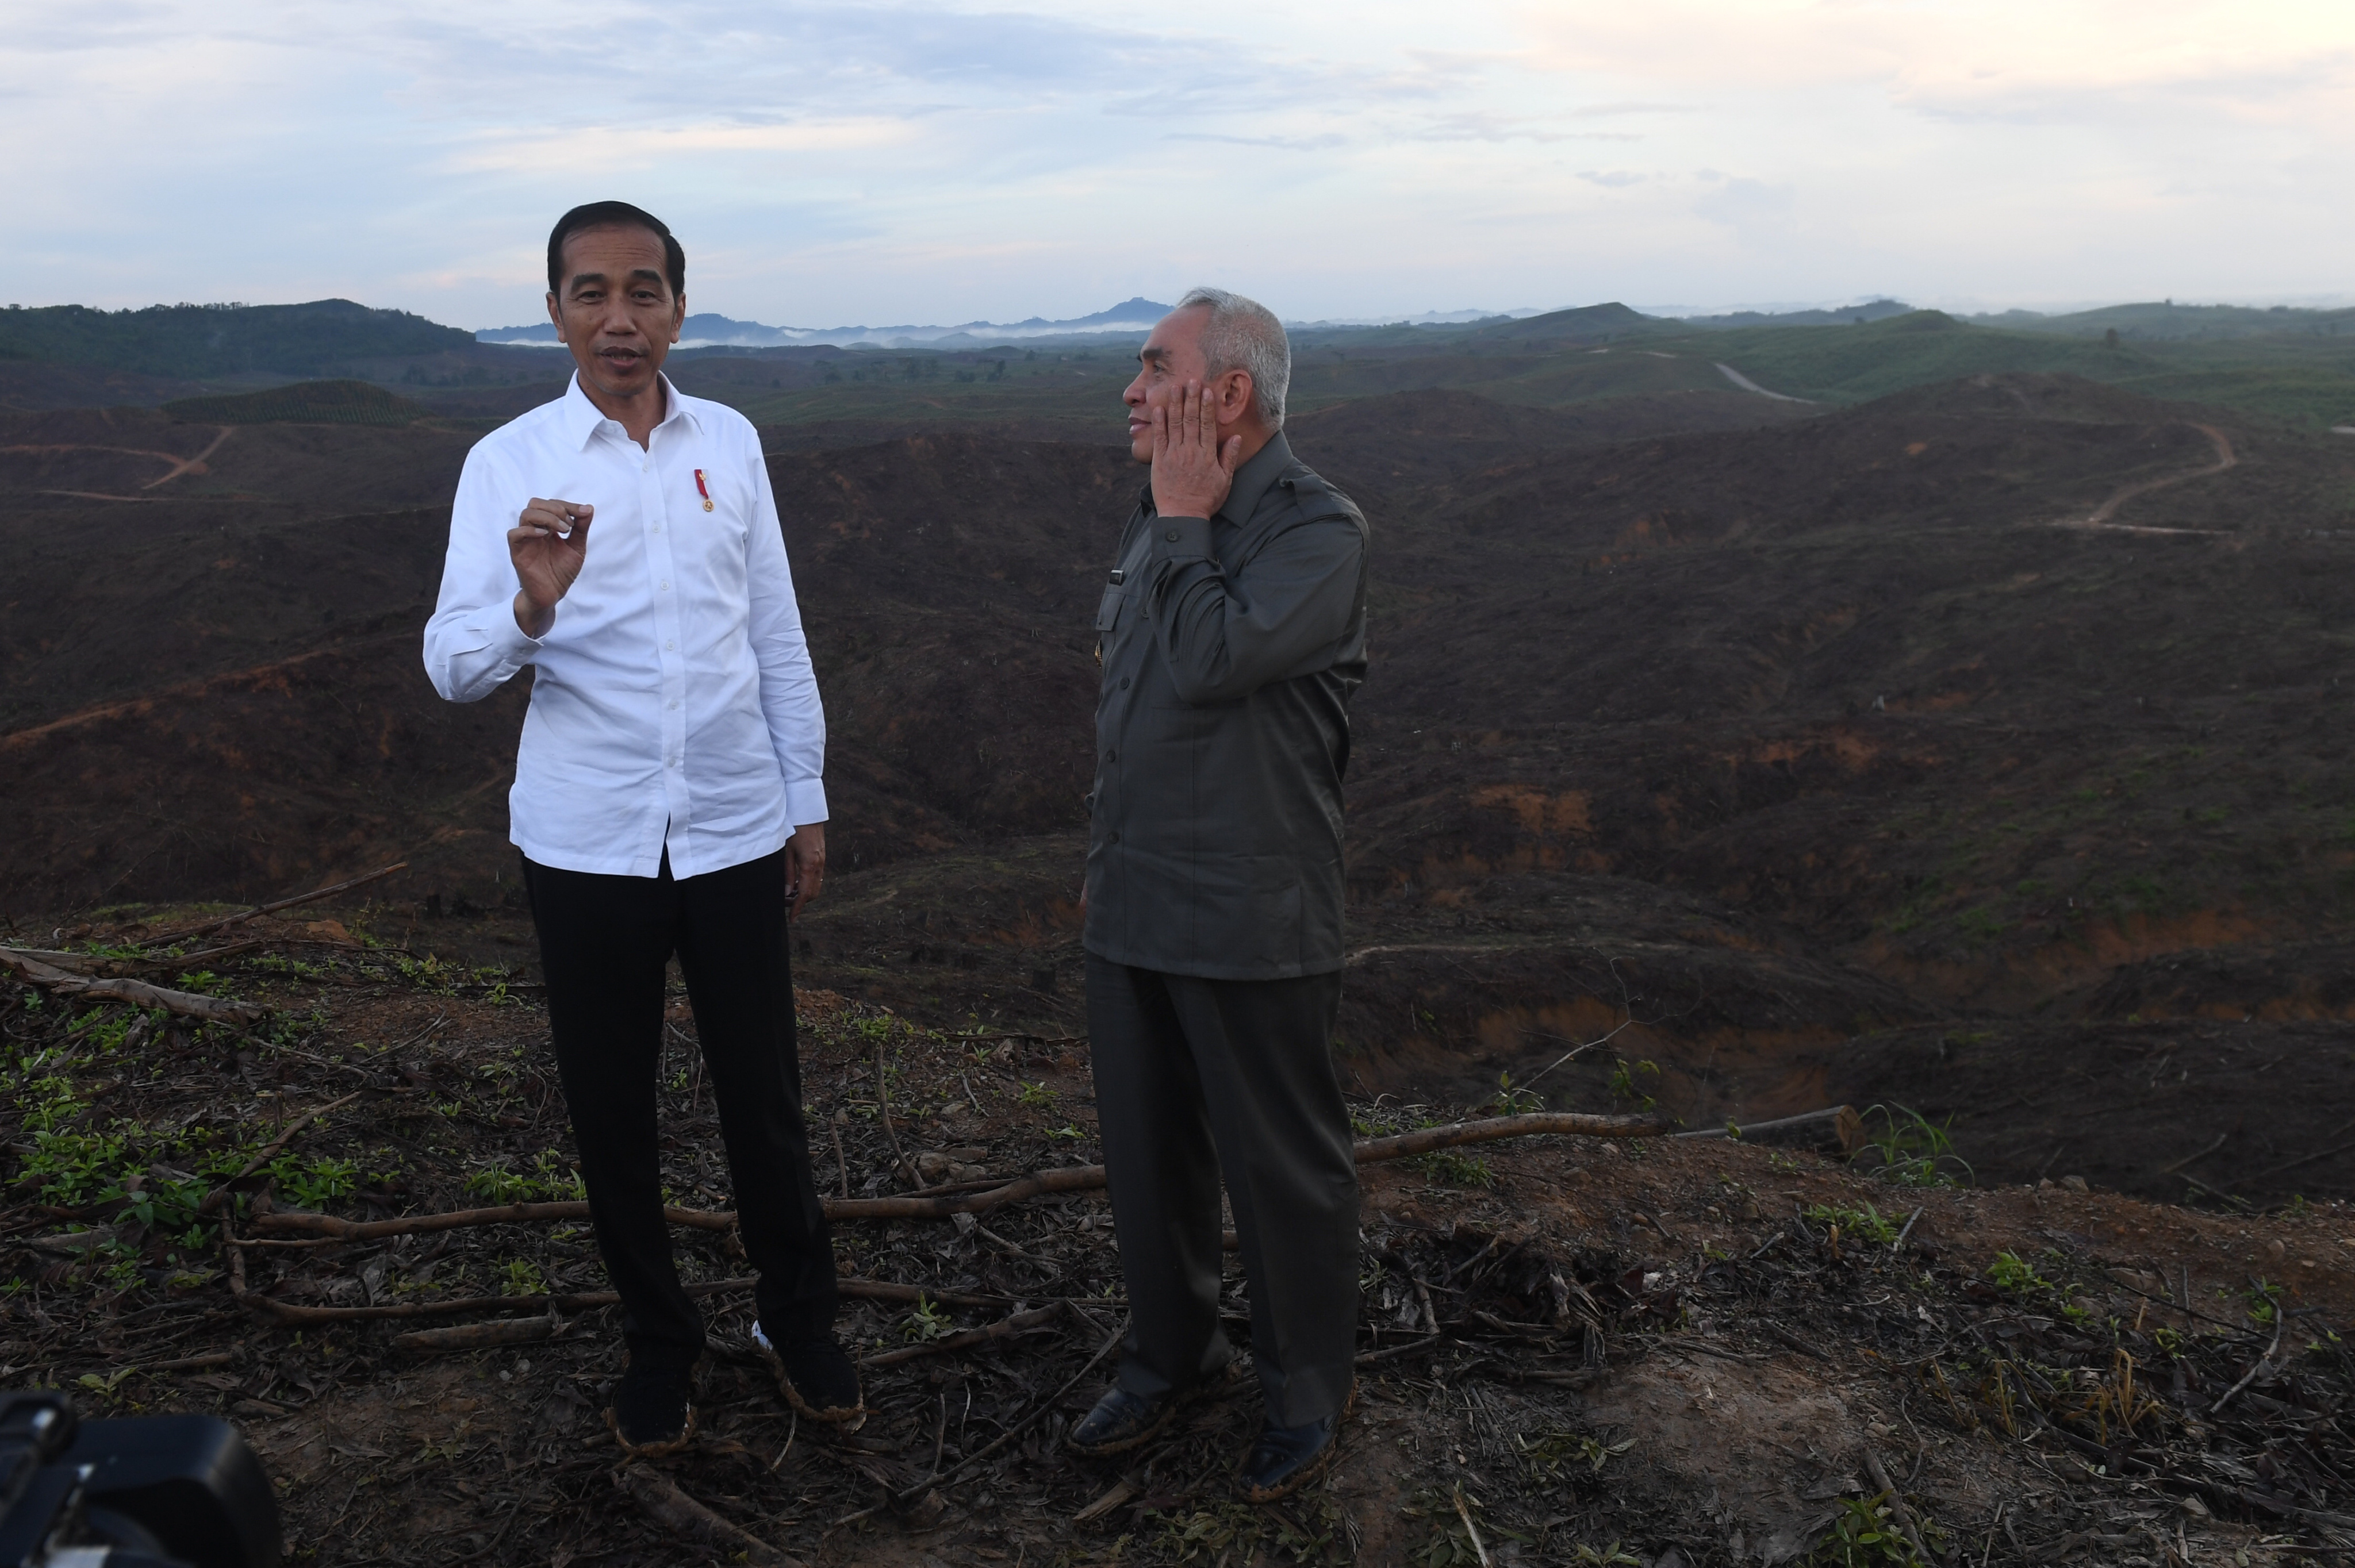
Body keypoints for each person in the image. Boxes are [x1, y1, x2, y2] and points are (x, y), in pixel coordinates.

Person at [421, 201, 860, 1455]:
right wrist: (530, 607)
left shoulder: (732, 441)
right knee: (612, 1107)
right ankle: (659, 1343)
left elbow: (774, 633)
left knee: (763, 1094)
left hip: (733, 822)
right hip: (587, 839)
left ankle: (797, 1317)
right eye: (592, 292)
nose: (620, 317)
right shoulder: (508, 463)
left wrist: (804, 801)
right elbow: (451, 666)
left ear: (677, 305)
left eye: (644, 290)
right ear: (554, 311)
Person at [1071, 288, 1370, 1500]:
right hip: (1132, 895)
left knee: (1278, 1169)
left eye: (1156, 367)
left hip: (1249, 912)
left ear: (1229, 392)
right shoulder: (1156, 516)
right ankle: (1170, 1358)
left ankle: (1306, 1392)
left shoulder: (1316, 530)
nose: (1132, 390)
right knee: (1147, 1158)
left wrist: (1187, 519)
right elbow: (1125, 697)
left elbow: (1209, 664)